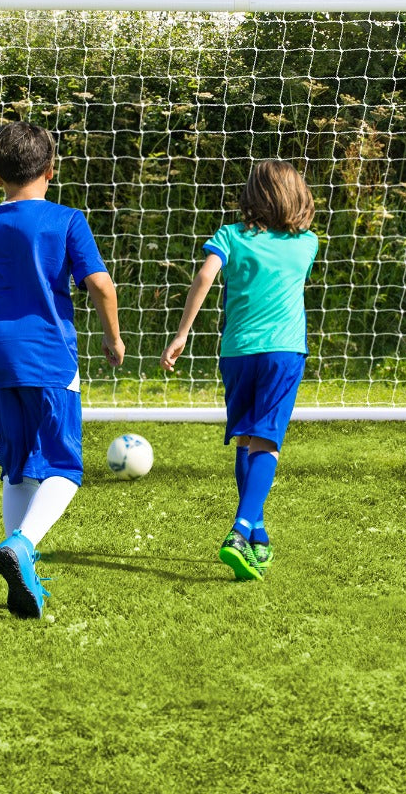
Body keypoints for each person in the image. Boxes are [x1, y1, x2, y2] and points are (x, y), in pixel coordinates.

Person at [0, 121, 124, 620]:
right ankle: (21, 544)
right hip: (48, 359)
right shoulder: (66, 221)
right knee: (63, 469)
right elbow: (100, 285)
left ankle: (26, 577)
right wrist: (112, 335)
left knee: (17, 469)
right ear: (51, 170)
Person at [161, 159, 318, 581]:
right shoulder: (307, 244)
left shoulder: (229, 235)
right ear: (298, 197)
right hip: (283, 352)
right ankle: (241, 529)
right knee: (267, 441)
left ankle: (259, 536)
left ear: (252, 196)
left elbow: (205, 276)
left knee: (247, 439)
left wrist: (181, 335)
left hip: (236, 353)